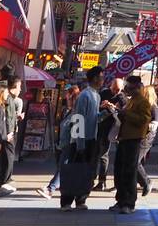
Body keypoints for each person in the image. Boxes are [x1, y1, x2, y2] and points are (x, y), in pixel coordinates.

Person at [60, 66, 104, 211]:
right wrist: (79, 144)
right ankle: (67, 201)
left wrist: (106, 113)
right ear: (96, 78)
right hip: (81, 140)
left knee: (87, 172)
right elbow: (78, 119)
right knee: (75, 170)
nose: (103, 79)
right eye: (101, 76)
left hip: (91, 138)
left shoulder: (96, 95)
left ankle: (81, 199)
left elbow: (94, 117)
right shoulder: (85, 95)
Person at [111, 75, 152, 214]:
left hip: (133, 139)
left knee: (129, 171)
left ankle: (129, 202)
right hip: (124, 138)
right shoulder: (131, 101)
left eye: (128, 86)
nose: (126, 89)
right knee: (120, 169)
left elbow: (144, 120)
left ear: (135, 87)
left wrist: (126, 114)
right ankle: (121, 199)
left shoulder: (143, 102)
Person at [40, 84, 81, 198]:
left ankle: (51, 188)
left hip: (70, 144)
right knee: (63, 167)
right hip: (64, 144)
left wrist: (77, 145)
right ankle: (59, 189)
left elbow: (77, 131)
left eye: (68, 97)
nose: (66, 99)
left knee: (63, 167)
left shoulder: (76, 113)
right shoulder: (68, 111)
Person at [95, 77, 126, 189]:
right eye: (114, 89)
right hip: (102, 127)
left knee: (106, 155)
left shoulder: (122, 97)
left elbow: (125, 112)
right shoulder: (104, 93)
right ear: (111, 86)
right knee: (100, 153)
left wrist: (115, 108)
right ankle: (100, 181)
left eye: (118, 89)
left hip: (115, 128)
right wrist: (102, 106)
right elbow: (96, 107)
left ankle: (103, 181)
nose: (116, 92)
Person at [136, 83, 158, 196]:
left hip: (146, 139)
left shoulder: (153, 108)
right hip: (140, 136)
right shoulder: (145, 106)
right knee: (134, 161)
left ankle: (146, 181)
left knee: (136, 161)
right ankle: (141, 181)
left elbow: (153, 126)